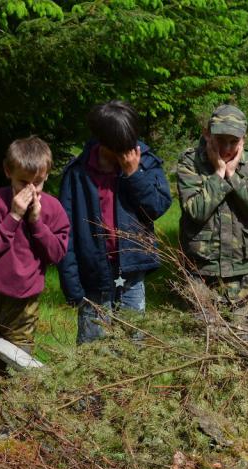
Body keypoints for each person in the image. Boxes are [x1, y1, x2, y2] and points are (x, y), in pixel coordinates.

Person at [0, 135, 70, 391]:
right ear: (8, 171)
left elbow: (56, 254)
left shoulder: (53, 209)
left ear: (47, 176)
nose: (31, 190)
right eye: (23, 182)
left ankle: (11, 416)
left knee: (17, 364)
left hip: (25, 301)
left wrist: (36, 223)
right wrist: (13, 216)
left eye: (38, 183)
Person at [57, 100, 172, 343]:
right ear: (102, 141)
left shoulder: (145, 161)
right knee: (93, 352)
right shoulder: (77, 174)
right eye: (120, 147)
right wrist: (71, 284)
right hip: (94, 276)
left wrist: (133, 175)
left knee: (132, 348)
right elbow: (64, 233)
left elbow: (158, 207)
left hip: (130, 272)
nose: (128, 150)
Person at [177, 104, 248, 316]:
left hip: (242, 271)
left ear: (243, 139)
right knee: (204, 341)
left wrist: (233, 175)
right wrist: (219, 173)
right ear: (207, 134)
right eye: (220, 140)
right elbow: (196, 210)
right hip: (202, 272)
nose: (227, 148)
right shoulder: (190, 162)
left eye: (234, 141)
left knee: (243, 340)